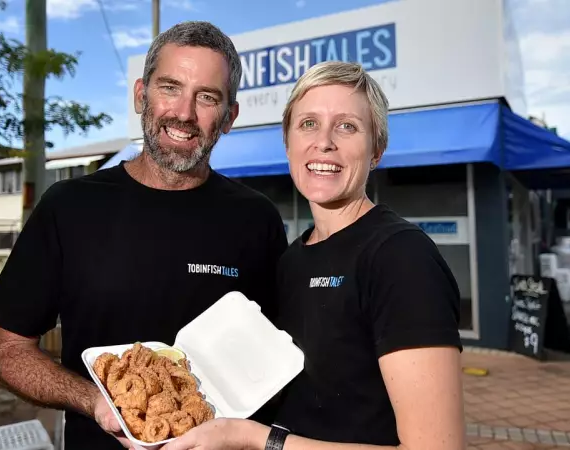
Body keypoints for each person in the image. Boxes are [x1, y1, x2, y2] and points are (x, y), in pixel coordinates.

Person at [0, 21, 288, 450]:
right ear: (141, 95)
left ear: (229, 117)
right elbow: (5, 351)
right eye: (170, 88)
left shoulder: (258, 219)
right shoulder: (69, 207)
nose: (183, 113)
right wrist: (96, 400)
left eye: (207, 97)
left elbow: (273, 360)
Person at [161, 61, 466, 450]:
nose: (324, 142)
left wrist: (257, 439)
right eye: (308, 124)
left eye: (347, 126)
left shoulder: (400, 257)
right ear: (288, 143)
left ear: (376, 151)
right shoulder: (292, 260)